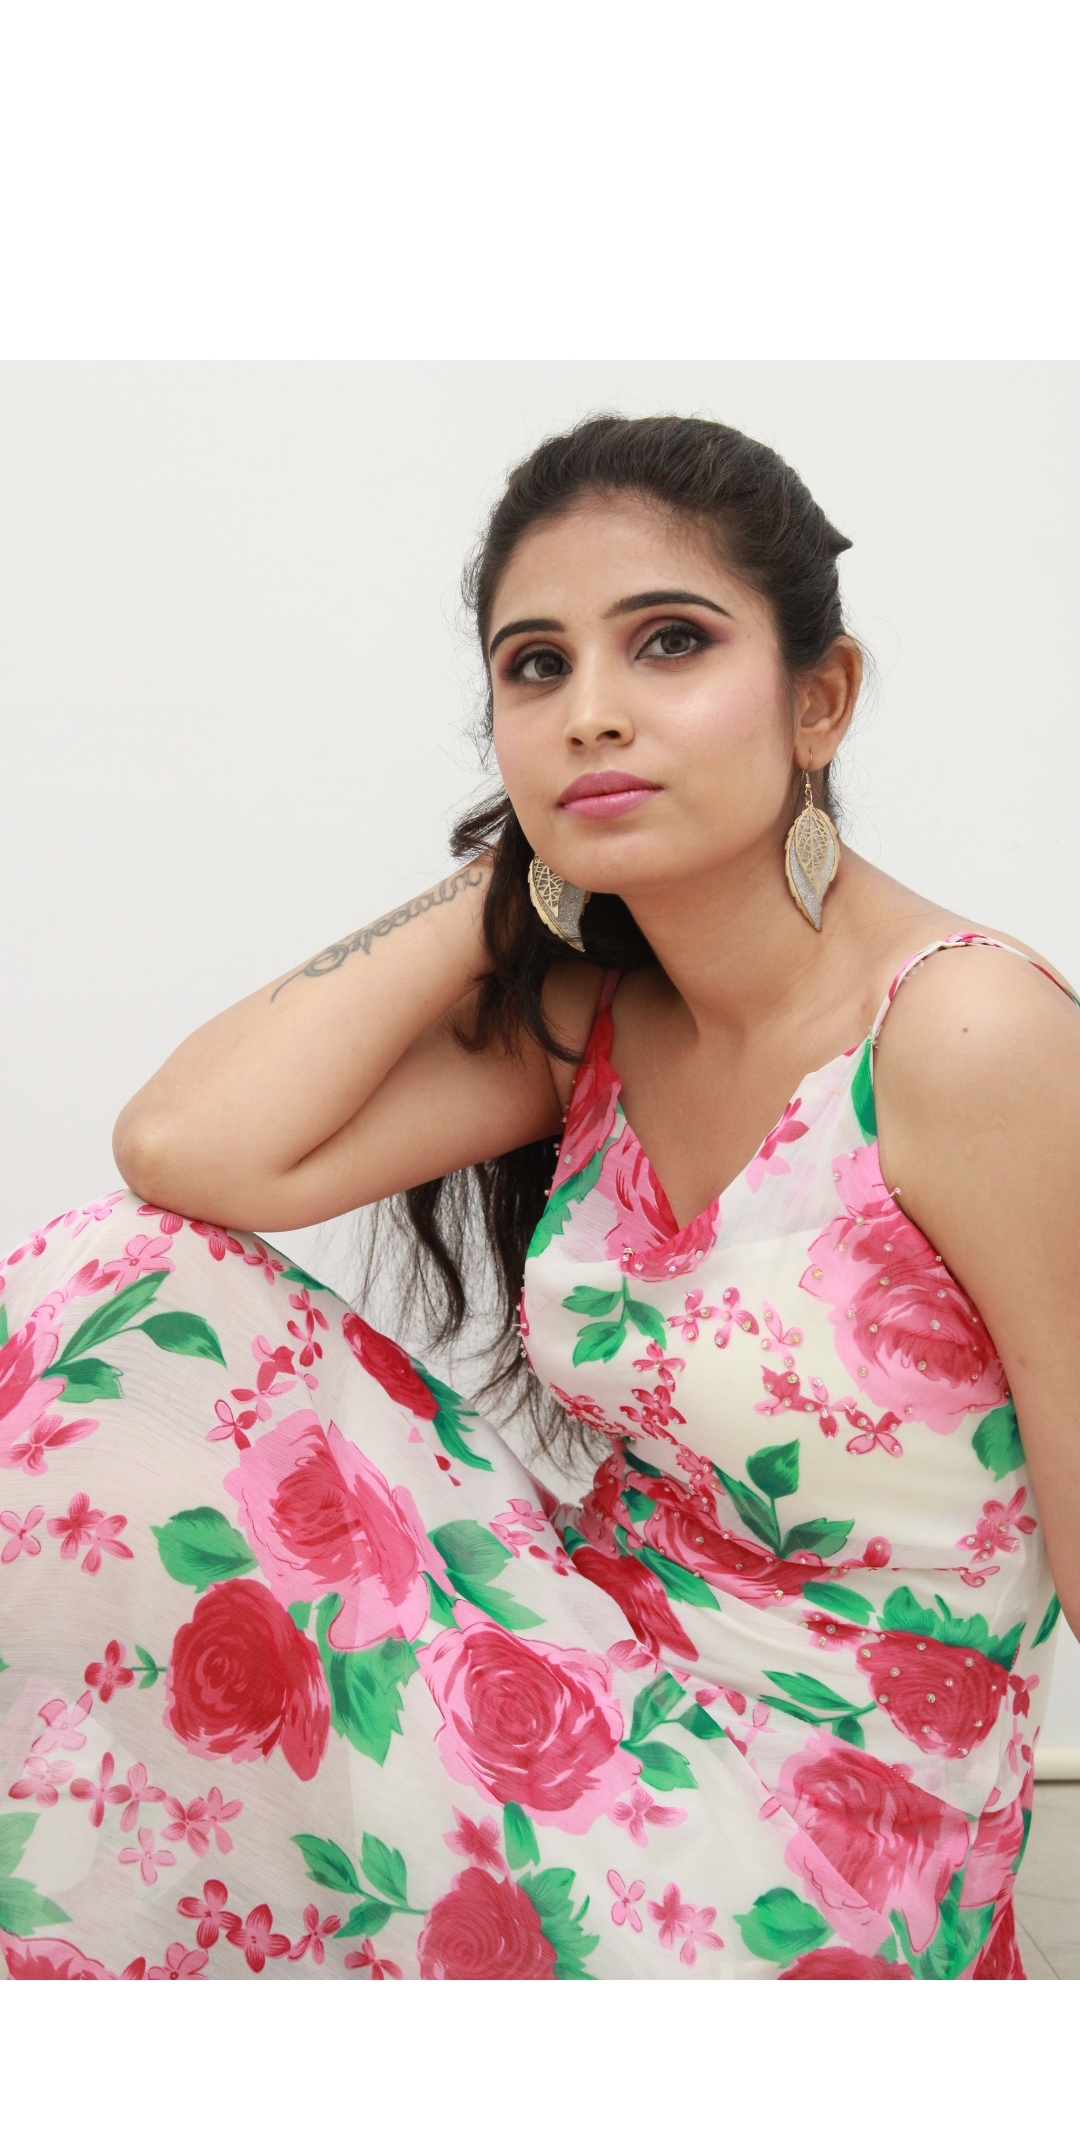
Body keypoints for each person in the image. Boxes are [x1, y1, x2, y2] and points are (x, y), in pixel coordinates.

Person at [2, 414, 1078, 1982]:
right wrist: (507, 874)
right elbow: (184, 1152)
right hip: (599, 1687)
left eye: (670, 642)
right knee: (118, 1284)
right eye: (536, 668)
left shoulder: (967, 1035)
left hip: (831, 1834)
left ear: (819, 699)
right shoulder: (598, 1022)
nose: (594, 713)